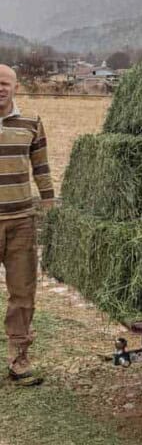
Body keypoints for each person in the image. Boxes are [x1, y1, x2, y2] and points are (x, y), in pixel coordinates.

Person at [0, 64, 54, 386]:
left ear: (15, 87)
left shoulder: (31, 123)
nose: (0, 88)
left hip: (21, 222)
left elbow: (42, 167)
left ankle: (19, 359)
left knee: (23, 294)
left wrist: (48, 202)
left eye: (5, 83)